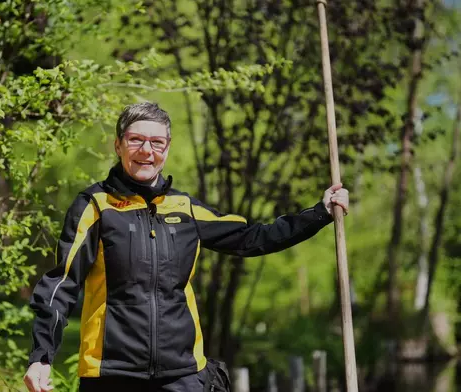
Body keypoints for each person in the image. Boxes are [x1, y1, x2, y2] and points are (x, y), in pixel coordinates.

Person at [23, 102, 349, 392]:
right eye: (136, 140)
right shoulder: (95, 206)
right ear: (118, 145)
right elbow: (60, 286)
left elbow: (255, 238)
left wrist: (320, 213)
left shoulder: (186, 209)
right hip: (111, 372)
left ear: (166, 150)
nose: (146, 150)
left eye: (156, 142)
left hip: (182, 375)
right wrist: (41, 356)